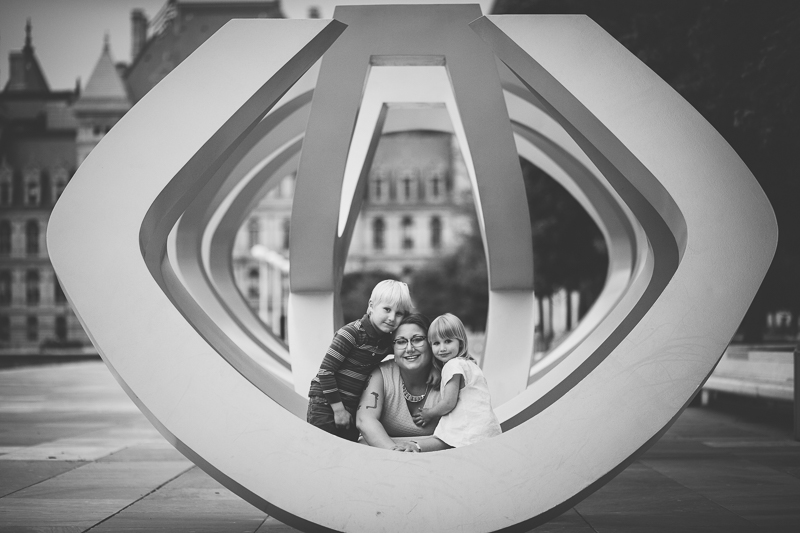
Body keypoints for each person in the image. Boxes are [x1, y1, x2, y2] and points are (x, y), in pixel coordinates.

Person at [307, 280, 412, 441]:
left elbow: (409, 350)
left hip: (352, 405)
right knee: (321, 446)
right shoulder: (351, 333)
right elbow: (326, 372)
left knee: (348, 450)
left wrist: (433, 369)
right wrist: (338, 410)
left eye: (399, 314)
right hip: (326, 402)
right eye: (387, 309)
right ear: (371, 305)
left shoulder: (386, 341)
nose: (392, 318)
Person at [356, 314, 451, 452]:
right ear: (393, 348)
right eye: (401, 342)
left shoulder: (451, 376)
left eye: (417, 339)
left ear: (431, 342)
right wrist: (397, 453)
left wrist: (416, 447)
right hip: (383, 455)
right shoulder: (381, 374)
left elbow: (461, 433)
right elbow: (365, 420)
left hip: (437, 458)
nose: (409, 348)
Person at [413, 313, 502, 447]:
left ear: (460, 342)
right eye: (436, 343)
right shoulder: (469, 363)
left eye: (448, 341)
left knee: (437, 443)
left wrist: (429, 413)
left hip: (470, 431)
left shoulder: (452, 365)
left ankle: (415, 447)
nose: (442, 348)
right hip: (487, 427)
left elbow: (449, 402)